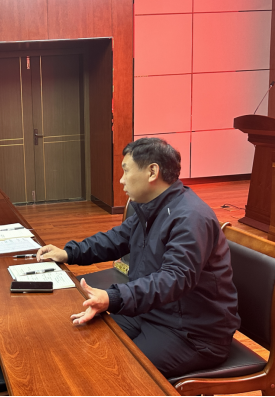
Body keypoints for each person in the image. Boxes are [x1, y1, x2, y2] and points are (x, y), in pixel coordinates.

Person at [36, 138, 240, 379]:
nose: (121, 180)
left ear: (152, 172)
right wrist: (70, 252)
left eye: (126, 170)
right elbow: (115, 239)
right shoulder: (152, 207)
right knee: (86, 343)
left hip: (193, 333)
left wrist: (113, 297)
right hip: (152, 311)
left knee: (115, 373)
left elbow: (174, 279)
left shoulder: (190, 217)